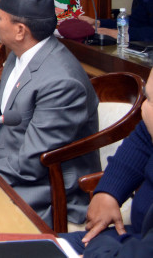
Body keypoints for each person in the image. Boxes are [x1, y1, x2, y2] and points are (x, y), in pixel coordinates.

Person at [0, 0, 100, 226]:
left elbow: (32, 164)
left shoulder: (62, 82)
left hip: (44, 192)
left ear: (20, 31)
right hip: (5, 169)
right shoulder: (18, 55)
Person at [59, 75, 153, 256]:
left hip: (131, 248)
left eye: (148, 99)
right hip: (130, 237)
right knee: (34, 246)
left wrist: (98, 246)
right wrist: (109, 191)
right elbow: (143, 137)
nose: (142, 107)